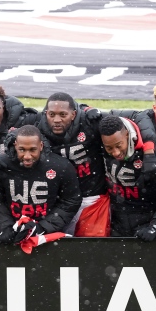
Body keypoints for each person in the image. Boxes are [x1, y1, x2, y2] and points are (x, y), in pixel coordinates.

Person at [0, 125, 81, 246]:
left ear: (41, 146)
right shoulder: (2, 166)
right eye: (22, 149)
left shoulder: (61, 167)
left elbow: (71, 200)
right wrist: (6, 226)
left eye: (32, 150)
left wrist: (44, 227)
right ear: (15, 146)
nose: (27, 156)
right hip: (13, 232)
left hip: (49, 235)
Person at [36, 93, 112, 236]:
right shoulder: (37, 128)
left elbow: (124, 122)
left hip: (91, 198)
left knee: (89, 248)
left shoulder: (89, 122)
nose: (57, 120)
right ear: (46, 113)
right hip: (59, 201)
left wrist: (88, 109)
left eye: (63, 114)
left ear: (73, 114)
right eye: (51, 114)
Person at [98, 115, 156, 240]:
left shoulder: (153, 151)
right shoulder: (99, 140)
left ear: (127, 134)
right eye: (109, 148)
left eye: (119, 145)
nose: (115, 152)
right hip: (116, 225)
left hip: (147, 223)